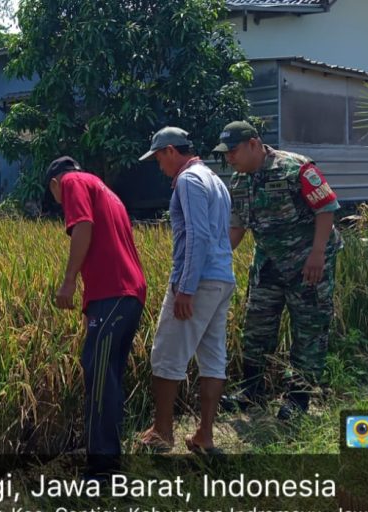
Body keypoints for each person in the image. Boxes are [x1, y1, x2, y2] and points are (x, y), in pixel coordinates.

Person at [214, 121, 343, 421]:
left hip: (308, 264)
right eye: (225, 153)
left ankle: (298, 399)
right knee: (256, 326)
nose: (229, 158)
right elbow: (237, 228)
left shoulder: (295, 168)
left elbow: (326, 208)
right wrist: (215, 258)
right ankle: (252, 391)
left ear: (253, 144)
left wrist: (317, 254)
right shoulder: (239, 181)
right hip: (269, 265)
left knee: (308, 330)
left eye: (233, 151)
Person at [135, 127, 235, 454]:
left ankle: (162, 432)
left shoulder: (189, 180)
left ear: (170, 151)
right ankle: (204, 435)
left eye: (158, 158)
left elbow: (198, 235)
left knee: (166, 354)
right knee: (213, 358)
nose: (159, 165)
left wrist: (186, 288)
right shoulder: (215, 180)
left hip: (199, 281)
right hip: (222, 278)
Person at [46, 156, 147, 475]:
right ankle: (109, 458)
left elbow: (84, 226)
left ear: (54, 183)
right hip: (126, 294)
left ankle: (102, 468)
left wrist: (69, 281)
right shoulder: (104, 189)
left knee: (99, 376)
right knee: (109, 375)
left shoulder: (72, 182)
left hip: (112, 293)